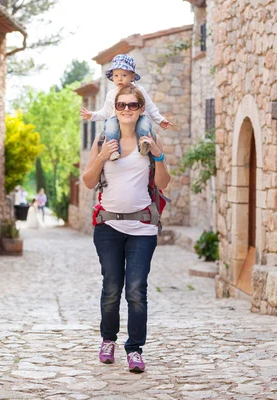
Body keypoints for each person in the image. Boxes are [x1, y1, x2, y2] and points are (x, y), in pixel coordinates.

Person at [82, 86, 171, 373]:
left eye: (132, 105)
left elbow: (163, 183)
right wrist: (101, 156)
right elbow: (87, 180)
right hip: (108, 226)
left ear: (141, 109)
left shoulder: (149, 139)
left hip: (142, 226)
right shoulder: (104, 139)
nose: (126, 109)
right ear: (115, 108)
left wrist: (158, 156)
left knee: (136, 290)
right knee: (111, 289)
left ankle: (134, 349)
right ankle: (108, 341)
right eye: (121, 105)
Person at [80, 54, 173, 161]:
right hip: (117, 119)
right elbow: (106, 112)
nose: (119, 79)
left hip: (139, 117)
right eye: (116, 76)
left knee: (144, 125)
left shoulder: (139, 90)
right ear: (112, 77)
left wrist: (160, 120)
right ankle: (114, 150)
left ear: (132, 76)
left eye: (124, 75)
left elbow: (150, 106)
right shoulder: (111, 94)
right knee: (110, 127)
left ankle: (143, 145)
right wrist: (92, 115)